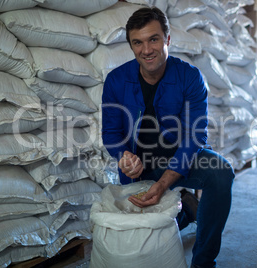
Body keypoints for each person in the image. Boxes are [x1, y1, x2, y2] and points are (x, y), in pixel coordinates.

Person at [101, 6, 235, 268]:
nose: (146, 49)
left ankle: (203, 262)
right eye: (137, 43)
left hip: (182, 159)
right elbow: (111, 133)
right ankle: (185, 210)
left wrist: (163, 185)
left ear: (168, 39)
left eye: (154, 39)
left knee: (221, 172)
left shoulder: (190, 77)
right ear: (131, 46)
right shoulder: (116, 81)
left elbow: (195, 136)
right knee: (145, 236)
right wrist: (123, 156)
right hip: (140, 167)